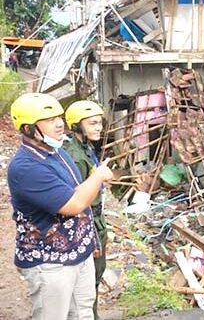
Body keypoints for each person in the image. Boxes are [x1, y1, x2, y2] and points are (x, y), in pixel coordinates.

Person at [7, 93, 113, 320]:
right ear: (28, 128)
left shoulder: (56, 152)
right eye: (49, 120)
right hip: (51, 261)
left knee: (83, 312)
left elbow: (79, 193)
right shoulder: (26, 167)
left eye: (59, 117)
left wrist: (90, 241)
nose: (59, 124)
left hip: (78, 252)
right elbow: (74, 204)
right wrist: (99, 176)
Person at [64, 100, 109, 320]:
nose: (99, 128)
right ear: (76, 125)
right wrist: (91, 237)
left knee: (94, 278)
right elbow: (77, 198)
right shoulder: (75, 155)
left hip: (96, 219)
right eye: (92, 123)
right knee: (89, 280)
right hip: (88, 222)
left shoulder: (86, 148)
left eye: (99, 123)